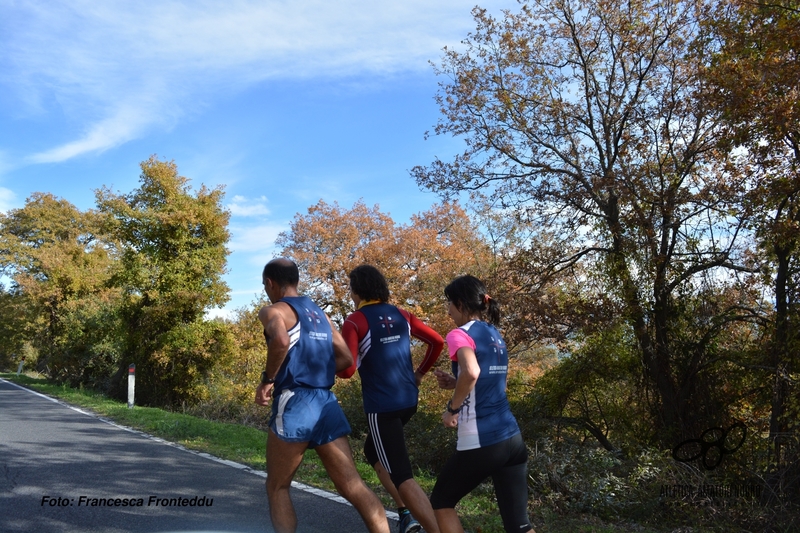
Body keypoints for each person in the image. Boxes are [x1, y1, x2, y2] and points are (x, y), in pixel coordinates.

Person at [254, 258, 390, 533]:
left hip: (295, 402)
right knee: (352, 484)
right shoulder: (319, 314)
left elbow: (281, 341)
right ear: (296, 280)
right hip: (325, 403)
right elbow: (346, 357)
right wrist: (319, 370)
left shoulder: (272, 311)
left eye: (264, 285)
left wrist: (268, 380)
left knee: (277, 486)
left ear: (270, 283)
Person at [337, 265, 444, 533]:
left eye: (351, 289)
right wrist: (419, 374)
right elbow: (437, 342)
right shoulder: (402, 314)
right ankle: (406, 513)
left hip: (382, 407)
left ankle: (431, 526)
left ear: (357, 290)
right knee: (372, 451)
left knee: (402, 475)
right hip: (409, 400)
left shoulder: (354, 321)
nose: (350, 295)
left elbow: (347, 371)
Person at [430, 275, 533, 533]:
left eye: (450, 304)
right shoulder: (494, 333)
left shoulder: (458, 334)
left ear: (461, 304)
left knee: (441, 502)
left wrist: (452, 409)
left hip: (482, 438)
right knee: (519, 526)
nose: (449, 311)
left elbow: (473, 372)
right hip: (512, 438)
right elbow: (492, 380)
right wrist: (457, 382)